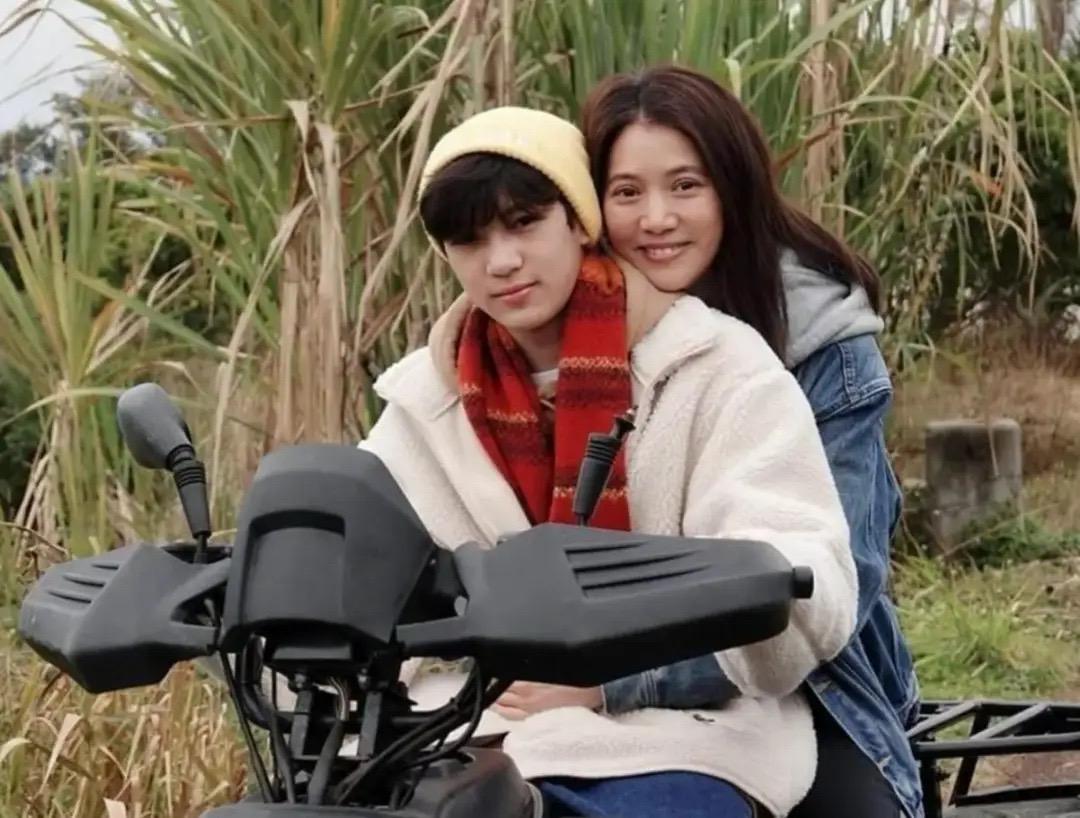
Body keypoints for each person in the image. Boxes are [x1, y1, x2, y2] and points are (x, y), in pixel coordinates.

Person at [358, 105, 858, 817]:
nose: (501, 261)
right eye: (469, 240)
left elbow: (804, 580)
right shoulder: (421, 402)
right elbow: (359, 569)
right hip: (467, 733)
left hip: (675, 737)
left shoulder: (716, 366)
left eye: (525, 223)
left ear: (580, 221)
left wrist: (618, 675)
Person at [573, 64, 921, 818]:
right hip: (587, 668)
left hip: (804, 676)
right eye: (626, 192)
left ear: (733, 186)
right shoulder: (565, 332)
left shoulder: (823, 346)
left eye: (686, 186)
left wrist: (620, 681)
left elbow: (834, 587)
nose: (656, 218)